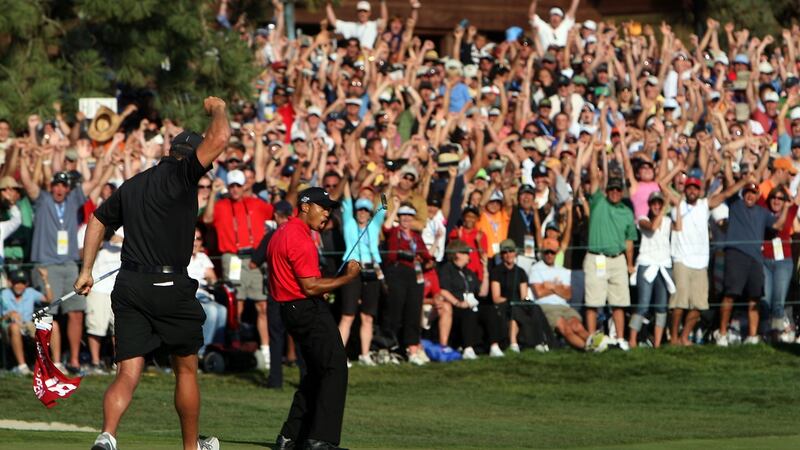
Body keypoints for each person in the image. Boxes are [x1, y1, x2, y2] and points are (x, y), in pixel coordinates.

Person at [75, 96, 230, 450]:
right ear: (190, 155)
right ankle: (192, 448)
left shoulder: (134, 184)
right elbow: (219, 139)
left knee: (128, 372)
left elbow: (97, 219)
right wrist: (218, 108)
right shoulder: (183, 174)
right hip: (169, 283)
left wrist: (86, 270)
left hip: (128, 284)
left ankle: (107, 435)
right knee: (186, 369)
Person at [267, 186, 361, 450]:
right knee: (334, 368)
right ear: (305, 206)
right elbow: (310, 286)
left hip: (290, 309)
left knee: (316, 372)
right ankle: (321, 440)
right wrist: (347, 278)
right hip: (305, 308)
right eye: (322, 208)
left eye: (329, 209)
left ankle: (290, 437)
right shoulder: (299, 237)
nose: (326, 214)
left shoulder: (282, 232)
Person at [205, 167, 274, 368]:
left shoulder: (256, 204)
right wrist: (213, 194)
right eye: (232, 186)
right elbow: (208, 219)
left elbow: (275, 216)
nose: (235, 189)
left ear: (245, 186)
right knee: (237, 302)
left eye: (238, 185)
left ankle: (266, 349)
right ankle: (234, 342)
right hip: (233, 257)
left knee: (262, 304)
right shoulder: (221, 204)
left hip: (254, 256)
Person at [583, 147, 638, 349]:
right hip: (597, 257)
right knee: (593, 301)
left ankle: (620, 338)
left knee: (620, 301)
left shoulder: (626, 212)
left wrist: (630, 263)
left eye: (617, 190)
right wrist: (596, 153)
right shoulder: (598, 202)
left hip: (618, 259)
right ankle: (591, 339)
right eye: (611, 190)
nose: (615, 193)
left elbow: (629, 241)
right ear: (606, 191)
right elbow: (594, 177)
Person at [530, 238, 607, 352]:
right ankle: (588, 348)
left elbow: (567, 294)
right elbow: (539, 293)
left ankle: (595, 343)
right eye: (546, 252)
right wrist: (559, 288)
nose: (549, 255)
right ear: (542, 252)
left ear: (557, 253)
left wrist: (551, 286)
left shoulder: (563, 271)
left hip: (564, 306)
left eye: (552, 252)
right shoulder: (536, 269)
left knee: (577, 326)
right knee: (565, 328)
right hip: (547, 307)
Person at [339, 182, 386, 366]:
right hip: (352, 267)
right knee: (348, 314)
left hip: (371, 267)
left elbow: (384, 206)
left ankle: (365, 355)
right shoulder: (349, 223)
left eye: (366, 210)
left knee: (368, 316)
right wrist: (346, 178)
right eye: (360, 210)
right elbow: (347, 200)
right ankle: (340, 355)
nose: (362, 213)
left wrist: (386, 188)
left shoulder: (374, 225)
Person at [382, 201, 433, 364]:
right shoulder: (395, 231)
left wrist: (436, 243)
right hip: (397, 272)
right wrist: (395, 208)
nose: (406, 219)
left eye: (409, 216)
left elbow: (427, 256)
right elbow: (386, 227)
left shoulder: (416, 236)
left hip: (414, 274)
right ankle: (392, 346)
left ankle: (412, 348)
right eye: (403, 216)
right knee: (396, 311)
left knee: (413, 311)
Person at [628, 192, 677, 349]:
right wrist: (664, 209)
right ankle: (632, 340)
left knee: (662, 307)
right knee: (643, 305)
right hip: (647, 265)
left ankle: (657, 343)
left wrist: (676, 204)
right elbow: (653, 227)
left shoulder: (668, 221)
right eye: (654, 204)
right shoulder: (643, 219)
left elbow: (680, 227)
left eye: (659, 204)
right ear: (649, 205)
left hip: (663, 265)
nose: (657, 206)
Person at [437, 239, 487, 359]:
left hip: (472, 304)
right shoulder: (446, 269)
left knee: (490, 310)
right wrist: (458, 303)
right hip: (456, 306)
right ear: (457, 254)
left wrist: (485, 271)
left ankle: (495, 346)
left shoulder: (468, 272)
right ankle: (468, 348)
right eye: (466, 253)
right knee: (467, 312)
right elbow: (443, 290)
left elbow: (483, 292)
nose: (468, 256)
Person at [1, 268, 52, 375]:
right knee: (15, 327)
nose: (19, 286)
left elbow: (49, 299)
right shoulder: (3, 294)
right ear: (11, 283)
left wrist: (45, 279)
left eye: (23, 283)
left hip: (28, 325)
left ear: (27, 284)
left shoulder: (30, 292)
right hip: (8, 327)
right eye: (16, 282)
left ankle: (55, 364)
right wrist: (8, 315)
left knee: (52, 324)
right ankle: (22, 366)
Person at [187, 227, 226, 359]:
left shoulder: (203, 257)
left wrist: (212, 280)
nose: (195, 242)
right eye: (192, 239)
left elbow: (212, 278)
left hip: (204, 294)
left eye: (198, 239)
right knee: (212, 311)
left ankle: (215, 349)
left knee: (222, 310)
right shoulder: (181, 257)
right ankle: (202, 352)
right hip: (189, 294)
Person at [489, 239, 529, 354]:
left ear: (515, 253)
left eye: (511, 251)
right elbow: (496, 297)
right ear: (501, 255)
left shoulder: (520, 272)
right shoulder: (496, 271)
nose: (508, 255)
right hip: (503, 304)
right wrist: (511, 301)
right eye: (505, 252)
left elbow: (523, 295)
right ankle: (513, 342)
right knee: (513, 308)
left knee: (530, 308)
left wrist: (521, 302)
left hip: (518, 304)